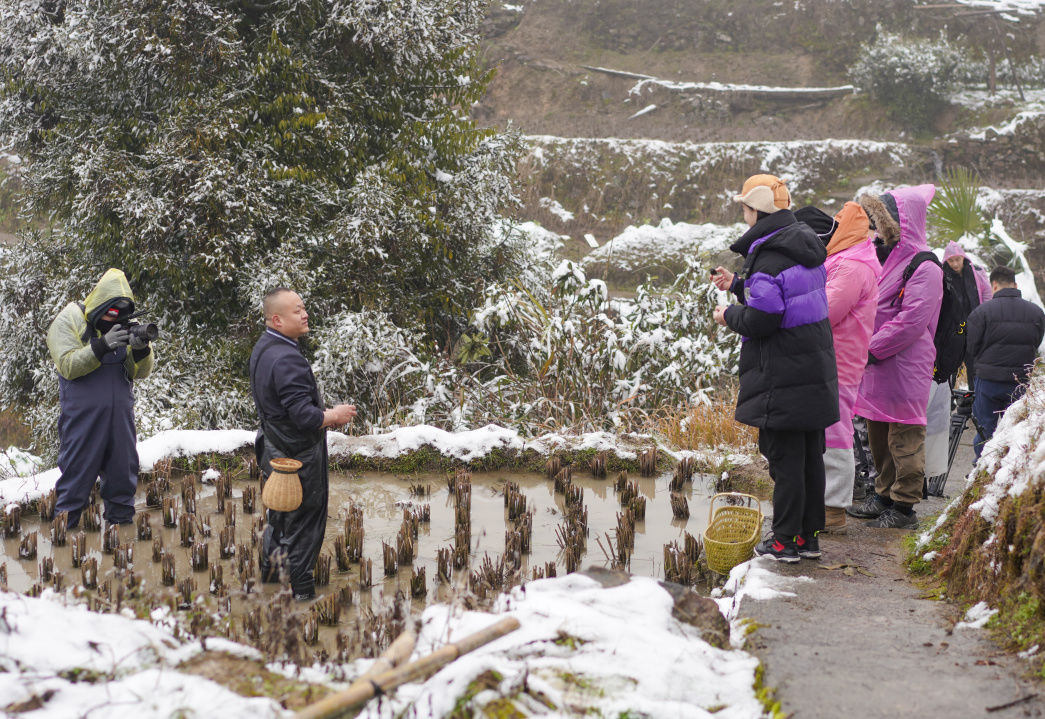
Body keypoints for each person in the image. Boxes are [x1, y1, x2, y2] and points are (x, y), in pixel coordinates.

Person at [712, 174, 839, 562]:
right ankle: (806, 538)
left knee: (784, 459)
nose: (744, 216)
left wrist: (729, 314)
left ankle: (783, 540)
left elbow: (765, 319)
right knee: (807, 458)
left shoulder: (767, 257)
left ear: (757, 211)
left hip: (782, 374)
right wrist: (738, 284)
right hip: (812, 370)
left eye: (745, 208)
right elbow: (787, 295)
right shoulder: (804, 248)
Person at [250, 288, 357, 599]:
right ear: (277, 319)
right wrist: (334, 415)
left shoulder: (265, 346)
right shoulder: (286, 359)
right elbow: (304, 417)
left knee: (280, 517)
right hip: (298, 453)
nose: (305, 314)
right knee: (305, 522)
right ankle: (304, 596)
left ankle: (271, 581)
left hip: (274, 446)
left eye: (304, 308)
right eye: (297, 310)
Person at [847, 185, 942, 530]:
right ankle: (883, 495)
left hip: (903, 365)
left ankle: (904, 507)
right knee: (879, 434)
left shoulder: (925, 266)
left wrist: (871, 347)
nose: (877, 228)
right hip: (877, 366)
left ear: (903, 221)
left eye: (883, 221)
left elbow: (912, 319)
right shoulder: (886, 257)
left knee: (904, 437)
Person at [795, 202, 881, 533]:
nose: (833, 228)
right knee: (828, 430)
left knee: (835, 432)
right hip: (833, 360)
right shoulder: (849, 261)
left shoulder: (852, 267)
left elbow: (824, 310)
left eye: (839, 222)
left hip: (838, 363)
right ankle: (825, 503)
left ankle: (833, 508)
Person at [46, 268, 155, 528]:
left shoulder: (125, 324)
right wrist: (101, 345)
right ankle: (63, 544)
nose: (112, 321)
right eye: (107, 316)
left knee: (122, 481)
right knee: (75, 482)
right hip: (83, 420)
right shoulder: (69, 320)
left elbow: (140, 373)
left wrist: (140, 351)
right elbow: (67, 364)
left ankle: (121, 546)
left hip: (121, 420)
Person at [965, 266, 1045, 457]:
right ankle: (1007, 474)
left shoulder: (981, 312)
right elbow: (1036, 342)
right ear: (1015, 284)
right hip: (1019, 383)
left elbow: (971, 347)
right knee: (1017, 434)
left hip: (988, 381)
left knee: (985, 431)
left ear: (994, 285)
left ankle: (980, 472)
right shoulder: (1036, 312)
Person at [942, 241, 992, 383]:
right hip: (952, 330)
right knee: (948, 368)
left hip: (974, 328)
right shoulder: (941, 274)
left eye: (957, 259)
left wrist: (986, 320)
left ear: (963, 257)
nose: (955, 264)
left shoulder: (977, 272)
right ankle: (948, 402)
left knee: (974, 367)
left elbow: (987, 295)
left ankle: (974, 399)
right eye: (951, 261)